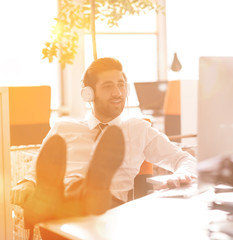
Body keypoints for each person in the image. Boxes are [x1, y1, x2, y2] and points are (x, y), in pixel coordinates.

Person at [10, 57, 197, 226]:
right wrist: (26, 183)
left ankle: (88, 188)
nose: (117, 93)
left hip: (109, 211)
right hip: (61, 208)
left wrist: (180, 174)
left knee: (85, 195)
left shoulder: (137, 128)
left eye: (121, 85)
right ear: (89, 94)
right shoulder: (63, 127)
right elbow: (35, 172)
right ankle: (69, 189)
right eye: (108, 86)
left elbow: (185, 160)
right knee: (55, 192)